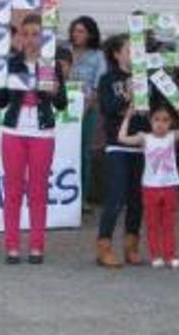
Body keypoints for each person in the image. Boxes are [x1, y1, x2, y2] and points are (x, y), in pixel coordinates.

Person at [0, 14, 67, 265]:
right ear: (20, 37)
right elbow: (1, 101)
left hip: (42, 132)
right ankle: (11, 246)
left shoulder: (50, 65)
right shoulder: (10, 63)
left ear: (44, 37)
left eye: (37, 33)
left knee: (38, 191)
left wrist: (56, 91)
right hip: (14, 132)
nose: (32, 39)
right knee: (12, 191)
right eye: (27, 33)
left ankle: (37, 246)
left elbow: (62, 103)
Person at [116, 99, 179, 269]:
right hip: (150, 187)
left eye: (165, 120)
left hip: (169, 185)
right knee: (152, 223)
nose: (161, 124)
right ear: (150, 121)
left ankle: (170, 255)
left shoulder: (172, 136)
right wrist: (128, 117)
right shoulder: (144, 137)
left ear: (171, 123)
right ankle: (156, 255)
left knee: (169, 223)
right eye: (157, 120)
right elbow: (122, 138)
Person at [96, 34, 149, 268]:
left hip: (141, 145)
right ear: (117, 54)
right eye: (129, 49)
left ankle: (131, 245)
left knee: (137, 199)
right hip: (117, 145)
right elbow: (108, 108)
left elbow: (159, 106)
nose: (135, 54)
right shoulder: (108, 79)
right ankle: (104, 246)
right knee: (116, 197)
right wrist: (127, 95)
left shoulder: (146, 77)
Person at [67, 16, 106, 214]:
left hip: (87, 109)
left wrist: (85, 108)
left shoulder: (98, 56)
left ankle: (82, 198)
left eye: (81, 31)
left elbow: (98, 86)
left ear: (90, 33)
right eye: (74, 30)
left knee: (83, 153)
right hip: (63, 108)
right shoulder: (65, 51)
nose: (76, 34)